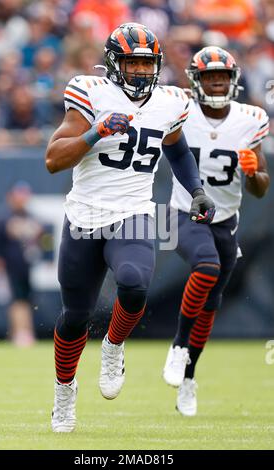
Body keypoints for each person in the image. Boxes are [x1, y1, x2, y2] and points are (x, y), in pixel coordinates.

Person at [45, 22, 215, 433]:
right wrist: (95, 132)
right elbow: (53, 158)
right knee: (74, 317)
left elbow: (176, 149)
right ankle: (64, 392)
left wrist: (196, 190)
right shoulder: (90, 93)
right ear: (114, 63)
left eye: (146, 64)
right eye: (132, 63)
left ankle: (113, 345)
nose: (140, 72)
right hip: (85, 215)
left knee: (135, 284)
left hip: (133, 212)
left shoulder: (171, 101)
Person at [163, 46, 270, 416]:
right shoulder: (180, 112)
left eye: (222, 77)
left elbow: (260, 186)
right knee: (205, 268)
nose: (217, 83)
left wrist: (255, 171)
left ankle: (189, 377)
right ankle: (178, 347)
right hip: (184, 212)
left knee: (210, 304)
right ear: (196, 81)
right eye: (209, 77)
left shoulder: (250, 119)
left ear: (233, 80)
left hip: (227, 219)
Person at [0, 181, 43, 347]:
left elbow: (41, 240)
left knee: (25, 300)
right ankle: (22, 334)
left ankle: (19, 333)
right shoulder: (2, 217)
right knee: (17, 300)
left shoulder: (30, 216)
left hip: (25, 266)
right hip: (8, 267)